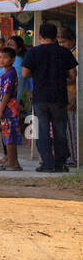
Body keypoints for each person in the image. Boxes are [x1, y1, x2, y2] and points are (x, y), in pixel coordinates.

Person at [20, 23, 78, 172]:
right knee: (60, 130)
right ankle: (60, 164)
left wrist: (39, 75)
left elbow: (25, 73)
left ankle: (47, 163)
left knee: (42, 130)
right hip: (59, 97)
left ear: (39, 36)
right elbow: (73, 75)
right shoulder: (64, 52)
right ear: (55, 37)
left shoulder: (33, 52)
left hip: (40, 97)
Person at [0, 47, 24, 171]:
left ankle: (13, 162)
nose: (1, 60)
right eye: (0, 57)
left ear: (12, 60)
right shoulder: (5, 73)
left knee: (10, 135)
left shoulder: (11, 73)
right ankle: (12, 161)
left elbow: (7, 93)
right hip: (6, 108)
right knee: (7, 135)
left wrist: (0, 110)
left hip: (9, 108)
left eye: (5, 57)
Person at [59, 27, 78, 168]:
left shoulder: (76, 54)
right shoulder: (69, 53)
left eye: (63, 42)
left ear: (72, 40)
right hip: (70, 94)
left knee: (73, 129)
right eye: (59, 42)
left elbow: (73, 78)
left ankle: (75, 157)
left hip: (73, 95)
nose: (61, 45)